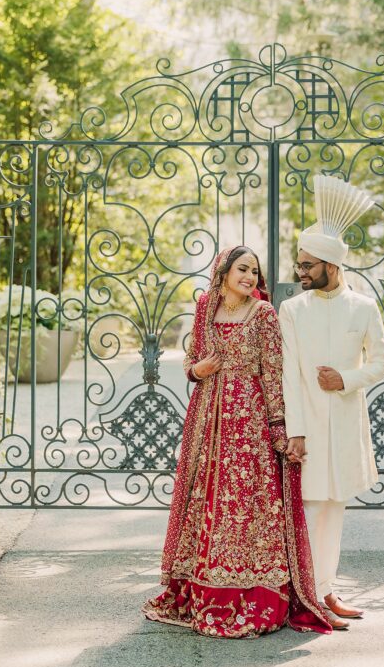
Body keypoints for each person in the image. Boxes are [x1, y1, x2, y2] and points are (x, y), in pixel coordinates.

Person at [143, 245, 336, 636]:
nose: (249, 277)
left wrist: (280, 429)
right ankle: (202, 591)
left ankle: (252, 595)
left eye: (254, 272)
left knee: (247, 507)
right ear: (225, 272)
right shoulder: (205, 309)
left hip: (249, 424)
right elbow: (190, 362)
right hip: (207, 421)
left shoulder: (264, 314)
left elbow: (273, 372)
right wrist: (199, 369)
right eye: (242, 269)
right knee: (206, 499)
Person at [280, 174, 384, 621]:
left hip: (345, 425)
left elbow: (381, 363)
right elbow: (289, 373)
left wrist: (344, 378)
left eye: (307, 265)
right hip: (305, 429)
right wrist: (297, 431)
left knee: (333, 510)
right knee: (303, 512)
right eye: (300, 264)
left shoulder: (363, 307)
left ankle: (325, 593)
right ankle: (297, 595)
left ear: (331, 266)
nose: (300, 272)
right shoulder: (292, 309)